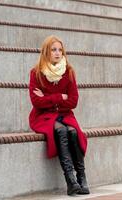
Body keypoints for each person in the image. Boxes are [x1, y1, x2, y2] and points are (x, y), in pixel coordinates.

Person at [28, 35, 89, 195]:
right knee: (61, 130)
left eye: (60, 50)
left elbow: (73, 101)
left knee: (73, 132)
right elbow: (36, 102)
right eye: (54, 49)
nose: (57, 53)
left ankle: (82, 178)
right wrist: (60, 97)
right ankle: (70, 180)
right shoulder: (36, 73)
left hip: (66, 115)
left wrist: (47, 98)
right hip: (43, 117)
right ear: (46, 52)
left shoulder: (69, 72)